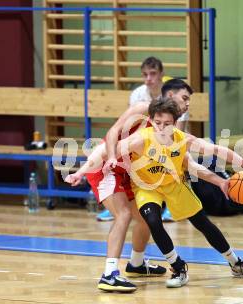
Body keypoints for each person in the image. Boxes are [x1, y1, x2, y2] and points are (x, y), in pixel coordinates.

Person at [67, 98, 243, 288]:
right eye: (158, 122)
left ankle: (236, 263)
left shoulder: (183, 140)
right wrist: (80, 172)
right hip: (146, 188)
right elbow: (101, 152)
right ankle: (178, 267)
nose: (162, 128)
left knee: (202, 222)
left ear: (175, 123)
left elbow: (216, 151)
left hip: (174, 185)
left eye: (167, 123)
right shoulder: (140, 139)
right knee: (152, 220)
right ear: (151, 121)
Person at [66, 79, 192, 293]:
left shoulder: (169, 125)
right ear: (170, 96)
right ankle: (109, 274)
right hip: (107, 166)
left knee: (147, 217)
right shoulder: (144, 110)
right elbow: (112, 135)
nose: (188, 104)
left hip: (127, 172)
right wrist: (82, 171)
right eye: (185, 98)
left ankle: (136, 263)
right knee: (123, 214)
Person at [97, 58, 188, 222]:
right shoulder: (138, 94)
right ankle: (117, 204)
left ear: (161, 74)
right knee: (121, 158)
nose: (148, 79)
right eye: (145, 75)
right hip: (145, 138)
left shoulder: (175, 95)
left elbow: (177, 131)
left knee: (178, 158)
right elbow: (132, 125)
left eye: (152, 74)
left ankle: (171, 205)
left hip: (171, 138)